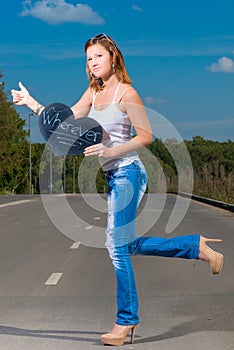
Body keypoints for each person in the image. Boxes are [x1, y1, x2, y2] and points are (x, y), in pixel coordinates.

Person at [11, 33, 224, 346]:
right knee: (124, 245)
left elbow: (146, 136)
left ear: (113, 57)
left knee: (115, 246)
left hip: (129, 173)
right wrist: (32, 103)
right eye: (88, 59)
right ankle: (196, 247)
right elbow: (65, 122)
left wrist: (111, 151)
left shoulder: (127, 93)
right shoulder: (93, 93)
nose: (93, 63)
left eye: (98, 56)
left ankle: (126, 320)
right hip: (113, 177)